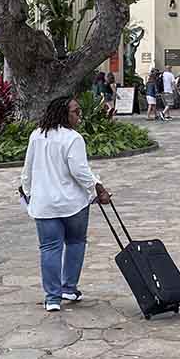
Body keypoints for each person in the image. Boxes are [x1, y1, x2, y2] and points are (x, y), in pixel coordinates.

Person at [20, 97, 111, 313]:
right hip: (73, 203)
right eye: (75, 112)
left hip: (44, 204)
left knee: (49, 248)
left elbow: (27, 170)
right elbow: (80, 171)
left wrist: (30, 193)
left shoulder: (37, 135)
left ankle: (52, 298)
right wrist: (97, 189)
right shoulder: (73, 138)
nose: (79, 116)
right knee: (76, 242)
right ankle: (69, 287)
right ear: (63, 114)